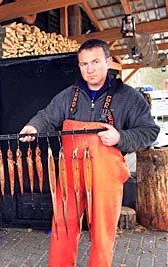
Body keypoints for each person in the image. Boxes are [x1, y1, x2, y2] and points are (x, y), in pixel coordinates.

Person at [19, 39, 160, 267]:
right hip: (69, 175)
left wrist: (120, 138)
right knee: (63, 225)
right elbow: (47, 116)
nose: (90, 69)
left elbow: (150, 130)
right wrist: (33, 126)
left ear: (108, 61)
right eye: (84, 64)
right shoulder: (68, 95)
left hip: (105, 177)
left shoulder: (129, 97)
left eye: (95, 62)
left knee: (103, 232)